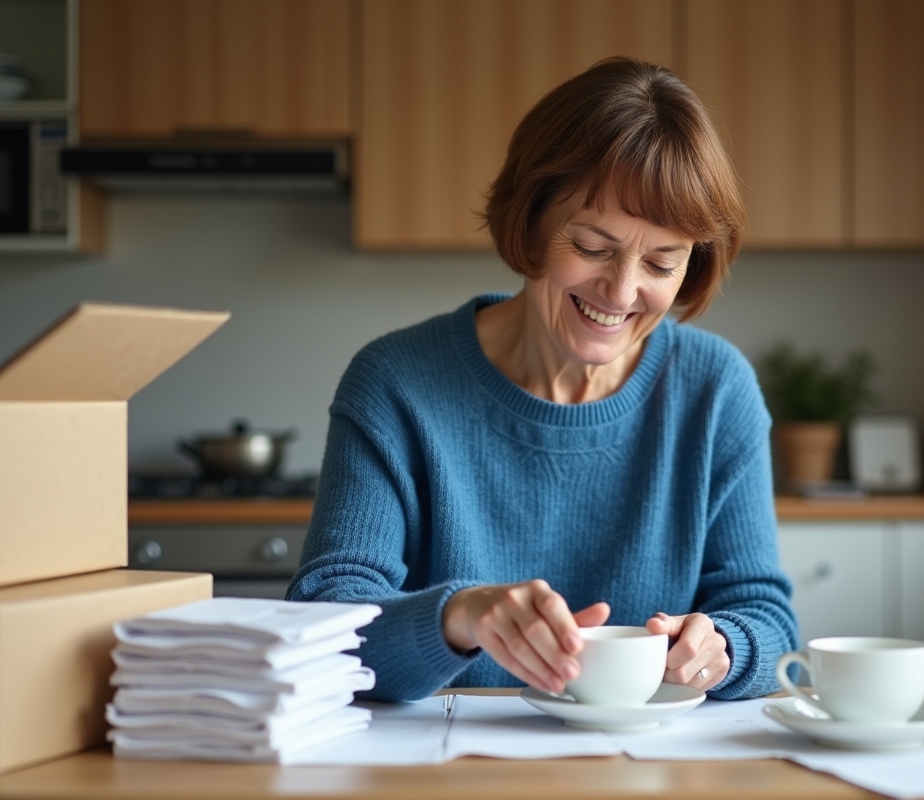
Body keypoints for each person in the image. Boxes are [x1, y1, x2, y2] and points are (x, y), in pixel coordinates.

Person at [287, 56, 798, 702]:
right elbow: (325, 624)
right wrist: (462, 616)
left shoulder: (716, 391)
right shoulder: (395, 384)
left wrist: (725, 647)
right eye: (592, 248)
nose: (621, 290)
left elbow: (767, 618)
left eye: (661, 263)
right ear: (531, 221)